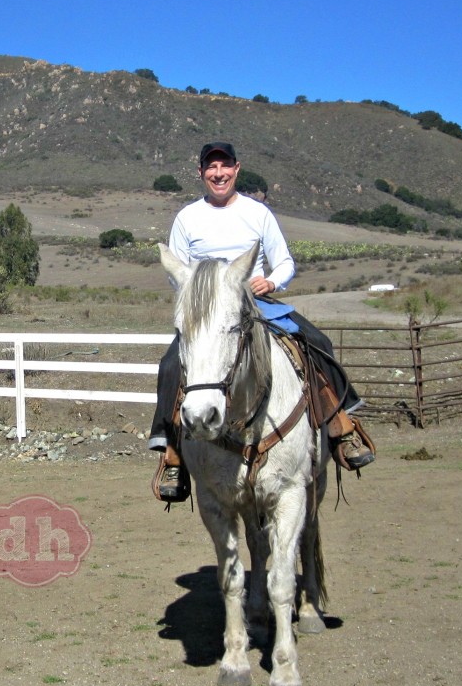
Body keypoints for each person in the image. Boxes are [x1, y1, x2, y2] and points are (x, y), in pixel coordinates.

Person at [150, 142, 375, 504]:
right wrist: (200, 300)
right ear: (201, 173)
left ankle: (341, 429)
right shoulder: (187, 218)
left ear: (237, 169)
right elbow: (178, 273)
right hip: (209, 312)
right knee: (171, 364)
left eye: (225, 166)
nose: (218, 173)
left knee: (316, 342)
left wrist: (271, 282)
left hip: (256, 304)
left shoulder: (258, 213)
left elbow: (284, 262)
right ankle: (173, 453)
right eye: (211, 167)